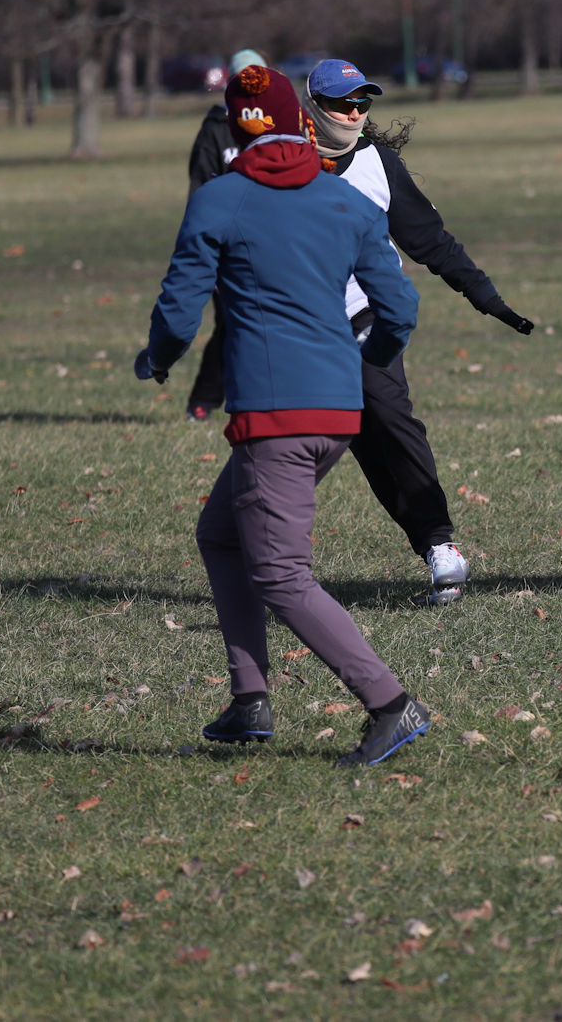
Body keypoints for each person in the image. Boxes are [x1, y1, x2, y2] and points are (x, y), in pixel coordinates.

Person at [135, 63, 430, 767]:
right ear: (300, 121)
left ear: (237, 129)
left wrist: (159, 358)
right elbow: (401, 310)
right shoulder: (346, 204)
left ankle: (391, 704)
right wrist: (373, 356)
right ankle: (250, 701)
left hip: (278, 417)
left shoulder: (220, 200)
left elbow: (180, 312)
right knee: (222, 535)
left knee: (280, 575)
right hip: (339, 408)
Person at [302, 57, 535, 605]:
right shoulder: (281, 165)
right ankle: (258, 557)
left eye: (364, 102)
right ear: (313, 107)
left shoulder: (378, 164)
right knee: (308, 444)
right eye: (343, 102)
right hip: (300, 334)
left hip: (367, 323)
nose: (356, 112)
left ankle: (440, 548)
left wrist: (485, 296)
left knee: (389, 422)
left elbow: (430, 240)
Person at [182, 48, 268, 422]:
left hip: (271, 243)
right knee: (232, 325)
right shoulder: (216, 130)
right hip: (227, 249)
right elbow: (200, 191)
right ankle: (204, 399)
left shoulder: (278, 122)